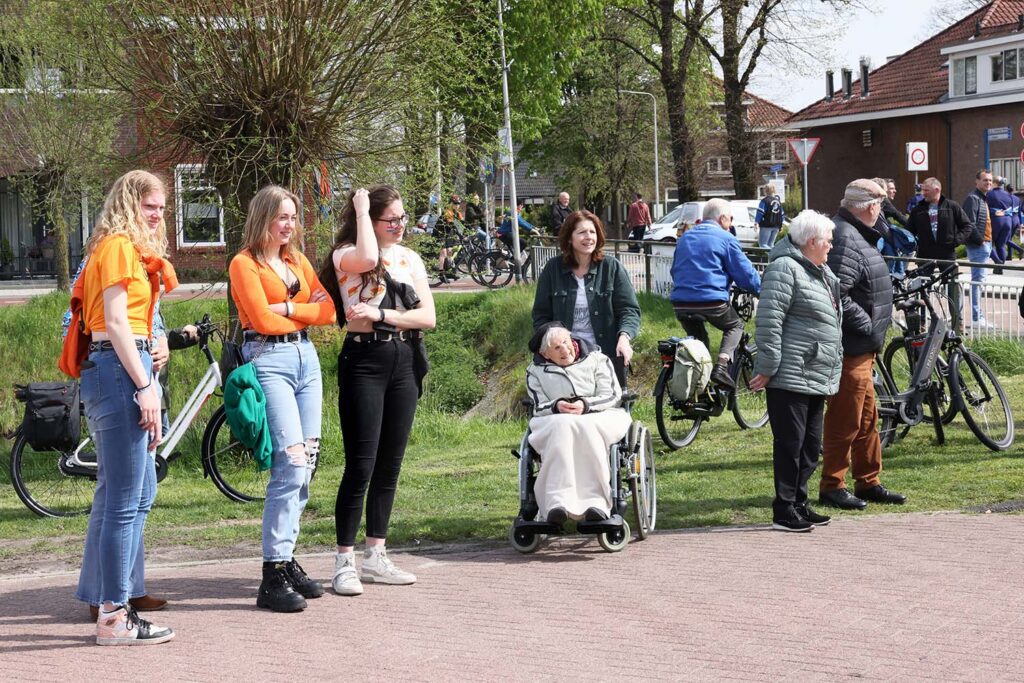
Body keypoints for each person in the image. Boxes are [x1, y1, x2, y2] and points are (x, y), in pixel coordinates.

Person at [75, 170, 176, 645]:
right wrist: (145, 386)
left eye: (161, 207)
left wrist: (155, 348)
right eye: (149, 206)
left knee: (133, 493)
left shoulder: (130, 251)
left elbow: (132, 321)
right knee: (124, 501)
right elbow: (114, 323)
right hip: (120, 371)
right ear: (128, 204)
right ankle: (114, 616)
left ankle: (109, 601)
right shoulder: (117, 246)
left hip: (122, 368)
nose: (157, 215)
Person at [323, 185, 436, 597]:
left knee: (390, 462)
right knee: (361, 464)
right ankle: (343, 561)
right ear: (369, 222)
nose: (401, 225)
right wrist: (359, 208)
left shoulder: (410, 259)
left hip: (402, 359)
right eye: (392, 219)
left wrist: (384, 314)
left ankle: (376, 554)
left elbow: (427, 317)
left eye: (404, 218)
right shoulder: (347, 255)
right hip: (363, 361)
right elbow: (369, 259)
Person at [228, 185, 336, 612]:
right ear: (263, 218)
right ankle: (271, 573)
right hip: (268, 358)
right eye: (282, 217)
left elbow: (328, 311)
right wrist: (292, 308)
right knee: (289, 463)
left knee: (307, 462)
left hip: (306, 358)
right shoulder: (244, 263)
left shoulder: (297, 260)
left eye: (293, 217)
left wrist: (289, 309)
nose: (289, 225)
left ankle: (287, 557)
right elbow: (260, 320)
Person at [750, 210, 842, 532]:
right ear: (812, 241)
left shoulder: (820, 271)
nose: (831, 246)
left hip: (815, 374)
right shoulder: (784, 268)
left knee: (809, 445)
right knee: (791, 444)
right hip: (791, 374)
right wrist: (768, 366)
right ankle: (784, 508)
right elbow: (770, 320)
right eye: (828, 241)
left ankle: (800, 502)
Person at [819, 179, 905, 511]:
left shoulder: (856, 234)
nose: (881, 212)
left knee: (867, 417)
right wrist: (867, 323)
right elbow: (837, 291)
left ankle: (868, 481)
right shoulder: (845, 236)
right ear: (870, 207)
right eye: (880, 206)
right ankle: (833, 484)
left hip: (862, 347)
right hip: (850, 347)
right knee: (845, 418)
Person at [525, 322, 632, 525]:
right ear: (546, 354)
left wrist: (586, 404)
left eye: (566, 342)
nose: (565, 349)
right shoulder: (535, 372)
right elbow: (538, 406)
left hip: (600, 414)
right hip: (555, 419)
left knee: (586, 427)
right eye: (557, 347)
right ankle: (557, 503)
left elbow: (612, 395)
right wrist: (557, 405)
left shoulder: (597, 359)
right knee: (562, 427)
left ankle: (597, 503)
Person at [532, 210, 640, 387]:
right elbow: (540, 316)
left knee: (611, 409)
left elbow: (629, 310)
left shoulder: (612, 267)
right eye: (582, 232)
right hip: (566, 361)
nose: (589, 237)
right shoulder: (553, 270)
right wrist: (554, 342)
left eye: (592, 232)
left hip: (606, 356)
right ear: (569, 238)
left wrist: (624, 338)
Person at [669, 198, 761, 389]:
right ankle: (722, 365)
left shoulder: (685, 237)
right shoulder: (726, 239)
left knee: (699, 345)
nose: (732, 223)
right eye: (731, 218)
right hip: (711, 302)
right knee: (735, 326)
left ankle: (699, 390)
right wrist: (762, 291)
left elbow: (674, 270)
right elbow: (745, 275)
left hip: (680, 303)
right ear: (722, 218)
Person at [905, 177, 971, 329]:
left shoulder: (951, 206)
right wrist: (913, 244)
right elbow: (908, 231)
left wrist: (955, 241)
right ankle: (921, 321)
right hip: (925, 255)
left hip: (946, 255)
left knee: (952, 288)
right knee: (921, 288)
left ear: (937, 190)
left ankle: (957, 322)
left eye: (926, 190)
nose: (923, 194)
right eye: (922, 190)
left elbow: (967, 226)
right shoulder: (918, 209)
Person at [961, 169, 995, 328]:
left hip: (985, 244)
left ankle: (978, 316)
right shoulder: (973, 198)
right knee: (978, 281)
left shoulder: (982, 198)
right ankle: (976, 317)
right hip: (978, 246)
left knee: (979, 281)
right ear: (977, 182)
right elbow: (969, 223)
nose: (988, 183)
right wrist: (980, 241)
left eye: (990, 180)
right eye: (985, 180)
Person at [986, 177, 1015, 269]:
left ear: (994, 183)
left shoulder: (989, 194)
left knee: (988, 243)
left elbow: (985, 208)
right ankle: (1000, 267)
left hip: (996, 220)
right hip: (1008, 221)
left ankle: (997, 263)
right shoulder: (1008, 194)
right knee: (1001, 245)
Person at [754, 184, 786, 248]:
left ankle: (774, 256)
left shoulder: (764, 201)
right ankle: (772, 257)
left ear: (765, 191)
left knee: (763, 244)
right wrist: (781, 225)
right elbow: (782, 214)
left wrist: (756, 222)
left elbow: (760, 212)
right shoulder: (778, 202)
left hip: (766, 225)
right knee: (771, 245)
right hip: (776, 226)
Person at [1008, 186, 1024, 260]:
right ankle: (1010, 255)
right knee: (1009, 238)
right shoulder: (1017, 199)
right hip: (1016, 219)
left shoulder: (1006, 198)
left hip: (1009, 219)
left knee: (1006, 239)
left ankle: (1020, 250)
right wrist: (1021, 223)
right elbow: (1020, 211)